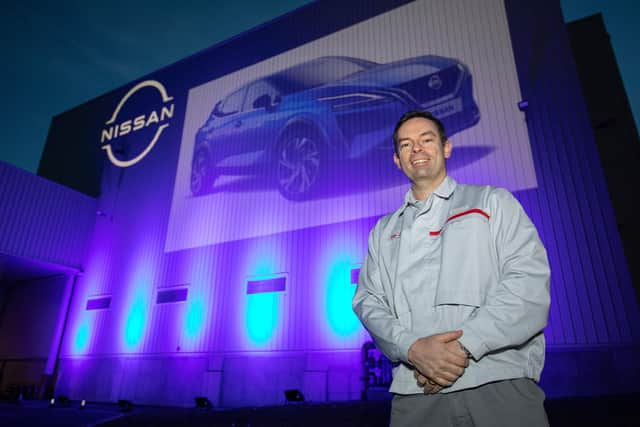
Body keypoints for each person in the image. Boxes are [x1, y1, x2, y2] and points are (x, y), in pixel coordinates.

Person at [352, 110, 550, 426]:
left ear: (446, 148)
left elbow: (527, 285)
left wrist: (458, 349)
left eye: (426, 140)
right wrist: (413, 349)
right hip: (417, 394)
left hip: (497, 382)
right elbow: (368, 302)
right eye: (406, 145)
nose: (416, 149)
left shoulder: (492, 203)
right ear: (397, 161)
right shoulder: (383, 231)